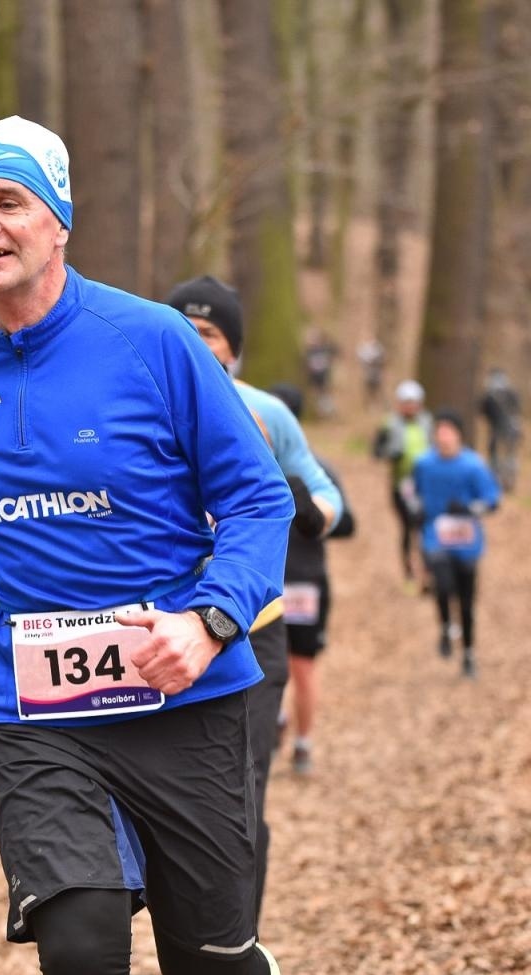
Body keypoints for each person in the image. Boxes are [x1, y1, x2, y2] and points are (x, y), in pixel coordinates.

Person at [0, 116, 296, 975]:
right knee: (79, 954)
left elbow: (257, 499)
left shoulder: (154, 342)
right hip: (31, 712)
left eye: (8, 202)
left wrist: (209, 623)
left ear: (59, 219)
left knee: (207, 966)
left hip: (182, 698)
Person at [166, 275, 342, 913]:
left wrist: (302, 503)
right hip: (156, 634)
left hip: (249, 628)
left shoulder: (268, 413)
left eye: (208, 333)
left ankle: (238, 949)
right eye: (181, 330)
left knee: (241, 794)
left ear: (232, 348)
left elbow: (330, 498)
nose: (193, 343)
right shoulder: (133, 403)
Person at [265, 384, 355, 776]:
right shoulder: (246, 462)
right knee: (268, 664)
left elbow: (348, 524)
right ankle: (276, 724)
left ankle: (302, 743)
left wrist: (311, 515)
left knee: (301, 666)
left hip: (304, 580)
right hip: (264, 581)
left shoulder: (317, 470)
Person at [410, 409, 501, 679]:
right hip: (435, 536)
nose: (443, 437)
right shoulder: (424, 464)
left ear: (459, 435)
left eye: (448, 431)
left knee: (466, 600)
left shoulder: (474, 465)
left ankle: (469, 654)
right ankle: (446, 627)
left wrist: (470, 509)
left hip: (467, 541)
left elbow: (493, 500)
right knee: (442, 583)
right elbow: (411, 490)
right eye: (439, 431)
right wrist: (414, 507)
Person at [371, 380, 433, 588]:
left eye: (414, 403)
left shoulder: (428, 423)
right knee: (408, 528)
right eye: (406, 403)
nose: (410, 407)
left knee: (425, 528)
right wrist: (391, 453)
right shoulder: (390, 424)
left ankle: (427, 573)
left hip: (425, 485)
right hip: (401, 486)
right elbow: (376, 452)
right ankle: (408, 572)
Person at [478, 368, 523, 492]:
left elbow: (517, 410)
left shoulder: (508, 393)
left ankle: (506, 481)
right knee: (499, 457)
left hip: (507, 429)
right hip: (498, 430)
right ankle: (498, 481)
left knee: (507, 457)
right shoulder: (491, 395)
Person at [356, 338, 385, 408]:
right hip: (369, 375)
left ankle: (375, 404)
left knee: (376, 390)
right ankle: (367, 404)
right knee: (368, 390)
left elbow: (382, 361)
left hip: (376, 375)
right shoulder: (365, 351)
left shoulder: (379, 351)